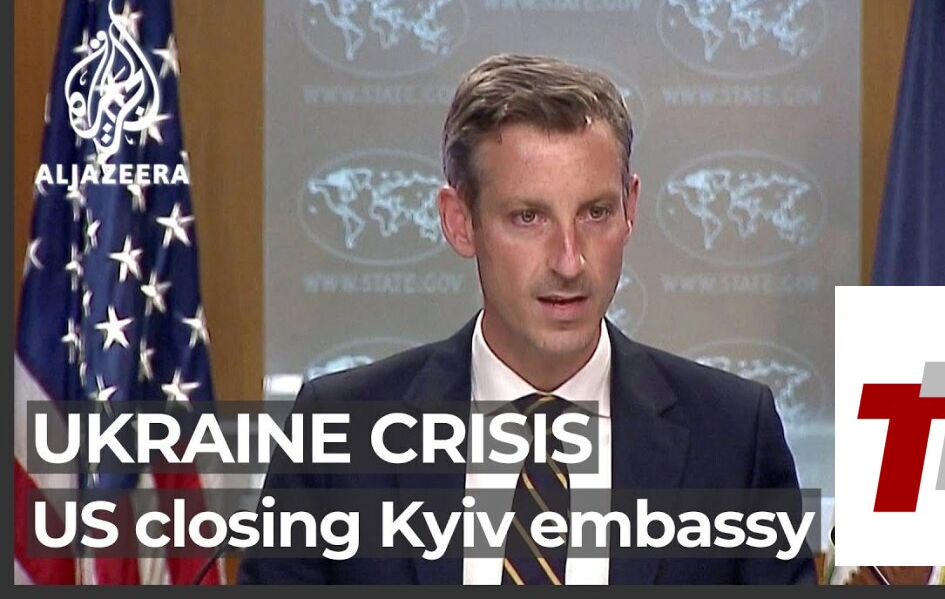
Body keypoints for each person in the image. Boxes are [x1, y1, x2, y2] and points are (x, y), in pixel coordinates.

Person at [237, 53, 815, 585]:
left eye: (595, 212)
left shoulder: (734, 438)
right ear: (460, 221)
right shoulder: (338, 436)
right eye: (528, 218)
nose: (569, 261)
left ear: (631, 209)